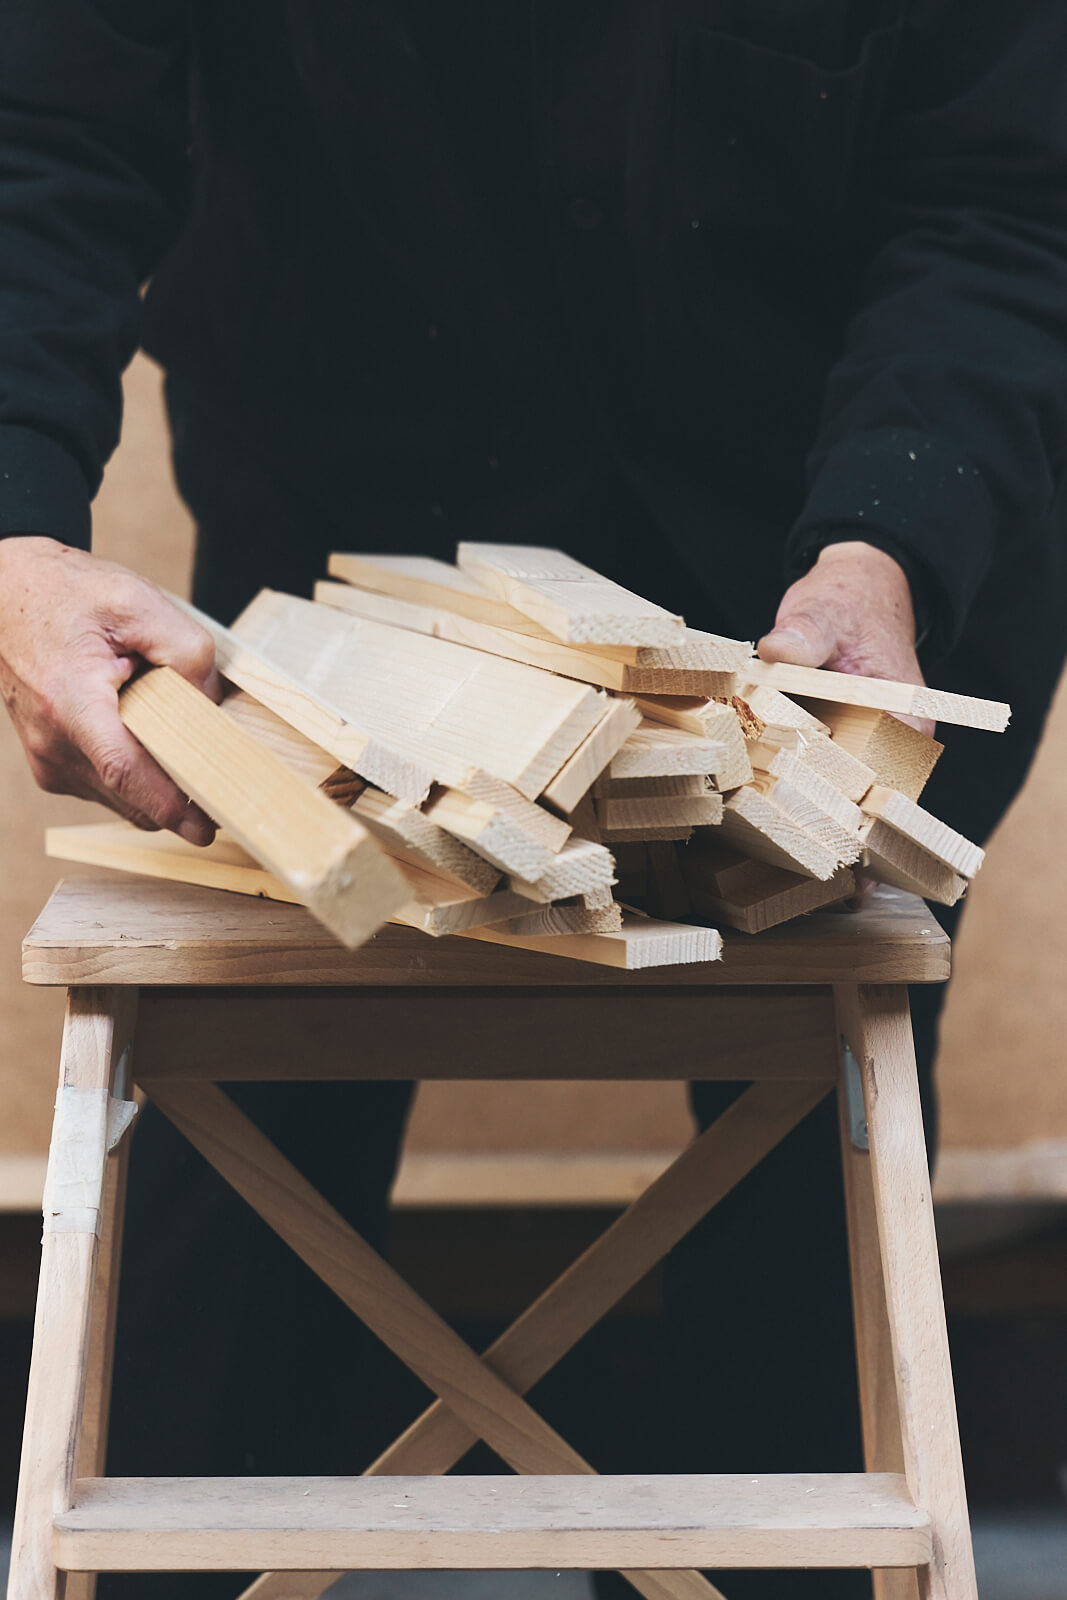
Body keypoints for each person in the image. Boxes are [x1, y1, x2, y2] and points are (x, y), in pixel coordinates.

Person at [2, 6, 1067, 1598]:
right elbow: (45, 141)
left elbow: (1010, 195)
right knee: (246, 1153)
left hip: (850, 529)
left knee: (807, 1191)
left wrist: (883, 542)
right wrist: (14, 531)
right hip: (355, 514)